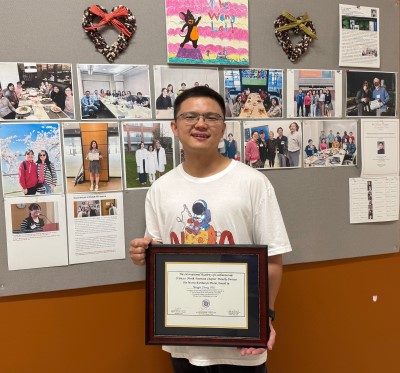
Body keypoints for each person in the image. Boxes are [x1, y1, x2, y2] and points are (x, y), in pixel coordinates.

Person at [129, 86, 291, 372]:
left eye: (211, 117)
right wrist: (143, 252)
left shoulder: (252, 183)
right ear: (174, 127)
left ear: (223, 126)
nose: (201, 124)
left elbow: (274, 259)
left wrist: (264, 316)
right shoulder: (160, 189)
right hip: (183, 339)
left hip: (242, 341)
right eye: (190, 116)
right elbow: (157, 252)